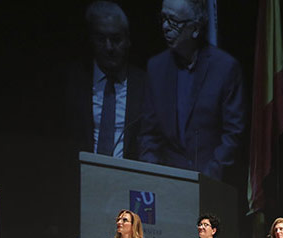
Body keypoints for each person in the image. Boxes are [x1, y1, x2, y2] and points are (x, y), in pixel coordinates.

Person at [138, 0, 244, 180]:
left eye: (173, 21)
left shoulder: (225, 68)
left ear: (195, 28)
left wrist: (204, 181)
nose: (165, 27)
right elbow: (149, 134)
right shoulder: (156, 67)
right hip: (165, 185)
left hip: (212, 185)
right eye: (163, 18)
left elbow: (233, 136)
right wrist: (153, 176)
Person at [65, 0, 145, 159]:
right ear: (91, 40)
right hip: (79, 175)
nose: (109, 48)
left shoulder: (145, 85)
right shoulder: (73, 80)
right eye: (101, 39)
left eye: (116, 39)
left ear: (128, 40)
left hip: (132, 179)